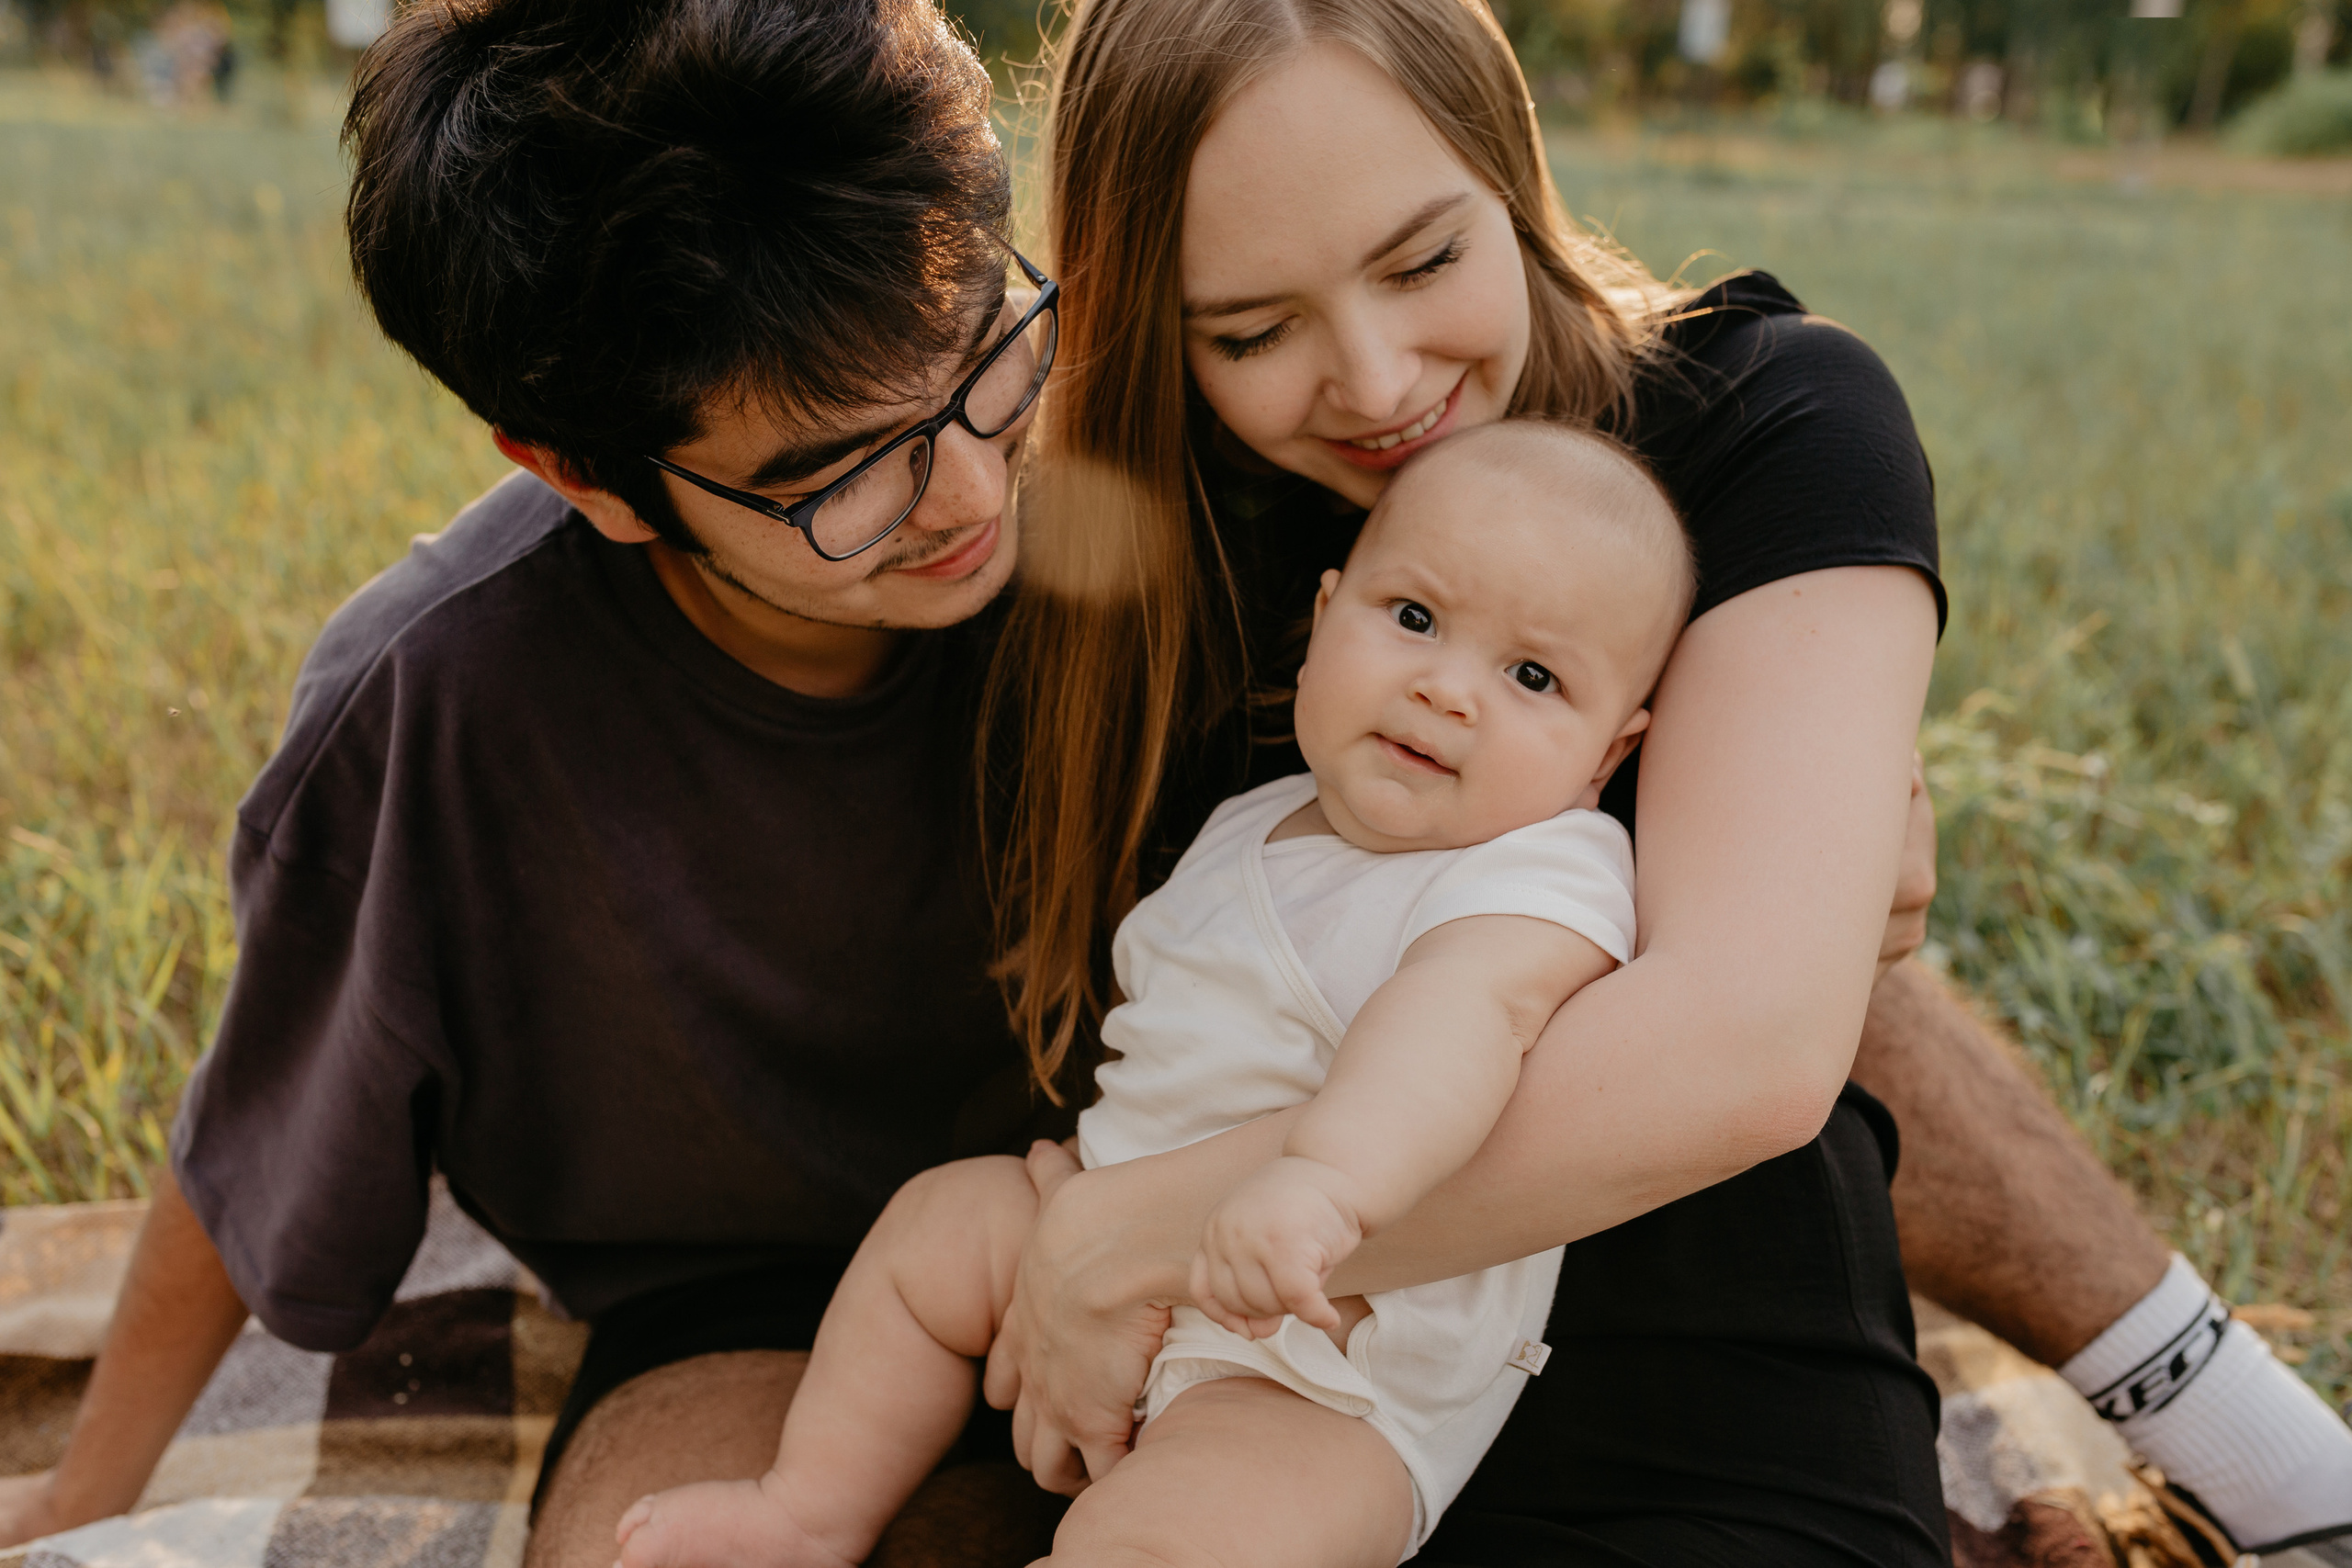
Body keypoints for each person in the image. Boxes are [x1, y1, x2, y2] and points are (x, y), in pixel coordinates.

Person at [0, 0, 2340, 1562]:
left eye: (979, 352)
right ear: (588, 475)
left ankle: (2220, 1400)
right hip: (860, 1290)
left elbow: (1735, 981)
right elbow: (262, 1108)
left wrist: (1823, 810)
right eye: (835, 473)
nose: (953, 490)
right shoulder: (452, 693)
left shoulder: (1244, 473)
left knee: (1677, 908)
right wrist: (100, 1507)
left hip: (1289, 1207)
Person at [967, 0, 2352, 1561]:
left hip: (1694, 1403)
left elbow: (1747, 1041)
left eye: (1426, 261)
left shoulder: (1762, 420)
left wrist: (1131, 1234)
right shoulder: (1121, 541)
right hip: (1224, 1423)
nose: (1373, 378)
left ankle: (2232, 1447)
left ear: (1509, 170)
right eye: (1251, 330)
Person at [612, 421, 1691, 1568]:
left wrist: (1325, 1187)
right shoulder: (1252, 825)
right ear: (1324, 622)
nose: (1446, 689)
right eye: (1414, 620)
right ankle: (807, 1513)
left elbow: (1465, 1024)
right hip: (1112, 1224)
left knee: (1163, 1543)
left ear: (1606, 758)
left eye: (1532, 676)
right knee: (938, 1229)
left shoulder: (1535, 871)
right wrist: (1086, 1195)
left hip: (1320, 1363)